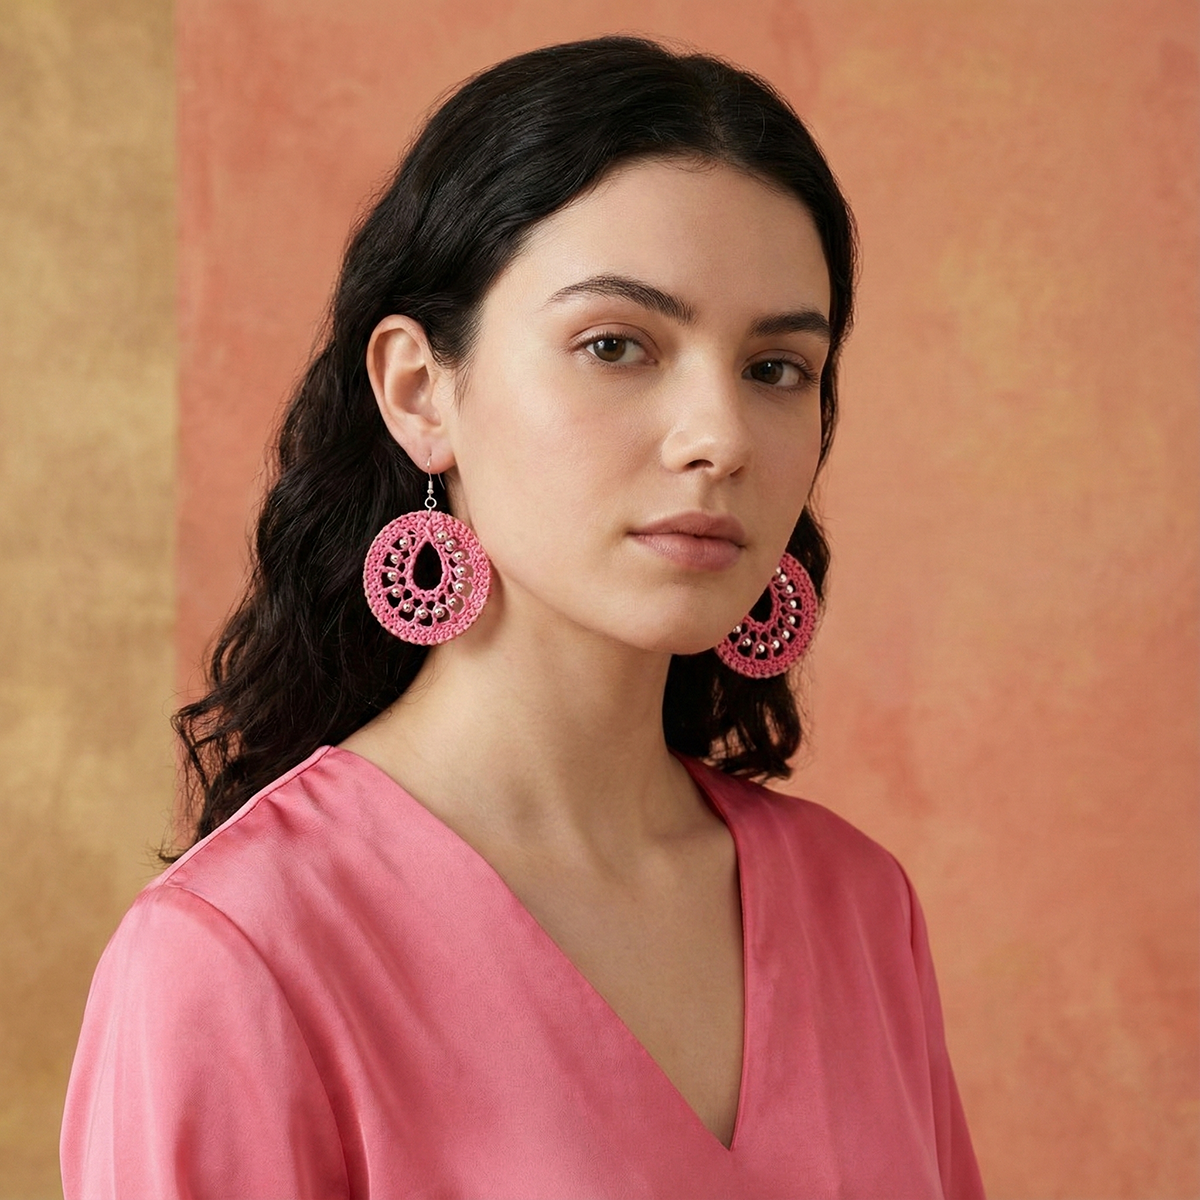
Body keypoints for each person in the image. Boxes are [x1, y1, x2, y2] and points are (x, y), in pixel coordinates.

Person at [60, 35, 986, 1199]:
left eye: (776, 367)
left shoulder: (859, 910)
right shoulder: (238, 953)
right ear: (419, 392)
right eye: (616, 346)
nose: (721, 437)